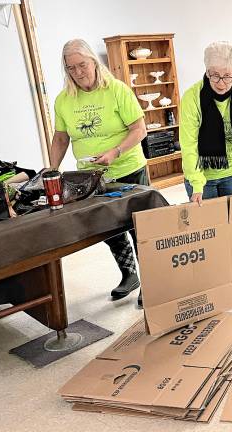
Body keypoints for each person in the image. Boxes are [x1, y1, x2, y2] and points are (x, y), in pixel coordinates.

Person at [49, 39, 147, 301]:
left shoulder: (117, 90)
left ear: (94, 61)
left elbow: (139, 130)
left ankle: (151, 281)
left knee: (141, 228)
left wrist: (115, 152)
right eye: (71, 68)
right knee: (108, 227)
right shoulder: (63, 100)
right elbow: (60, 138)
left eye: (82, 65)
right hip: (91, 176)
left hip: (128, 169)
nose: (79, 72)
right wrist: (51, 170)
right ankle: (129, 273)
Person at [180, 41, 232, 206]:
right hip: (202, 177)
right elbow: (189, 145)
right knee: (208, 229)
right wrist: (196, 184)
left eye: (227, 76)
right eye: (215, 75)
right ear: (207, 72)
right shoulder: (192, 98)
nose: (221, 83)